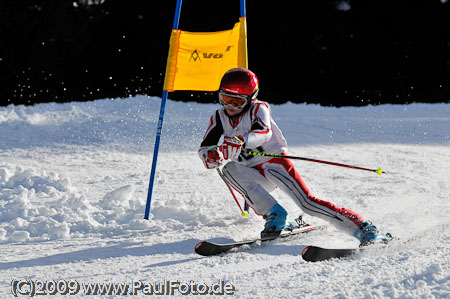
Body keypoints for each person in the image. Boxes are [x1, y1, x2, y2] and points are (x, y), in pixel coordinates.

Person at [198, 67, 391, 246]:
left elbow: (263, 133)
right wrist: (209, 155)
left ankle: (365, 228)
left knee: (308, 203)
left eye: (237, 101)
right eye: (224, 99)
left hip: (274, 163)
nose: (229, 106)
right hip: (252, 172)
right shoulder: (219, 117)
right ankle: (276, 215)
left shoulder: (259, 109)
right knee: (229, 169)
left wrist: (241, 140)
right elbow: (205, 147)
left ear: (250, 99)